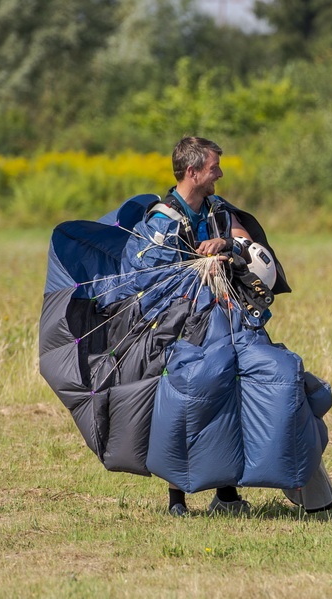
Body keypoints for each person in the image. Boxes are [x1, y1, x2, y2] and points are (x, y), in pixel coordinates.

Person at [130, 136, 282, 517]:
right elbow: (152, 280)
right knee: (184, 401)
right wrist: (200, 270)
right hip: (183, 327)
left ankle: (227, 495)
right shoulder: (162, 220)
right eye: (214, 167)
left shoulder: (217, 209)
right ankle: (176, 498)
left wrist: (225, 246)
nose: (220, 174)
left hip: (227, 319)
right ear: (193, 171)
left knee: (232, 395)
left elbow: (248, 247)